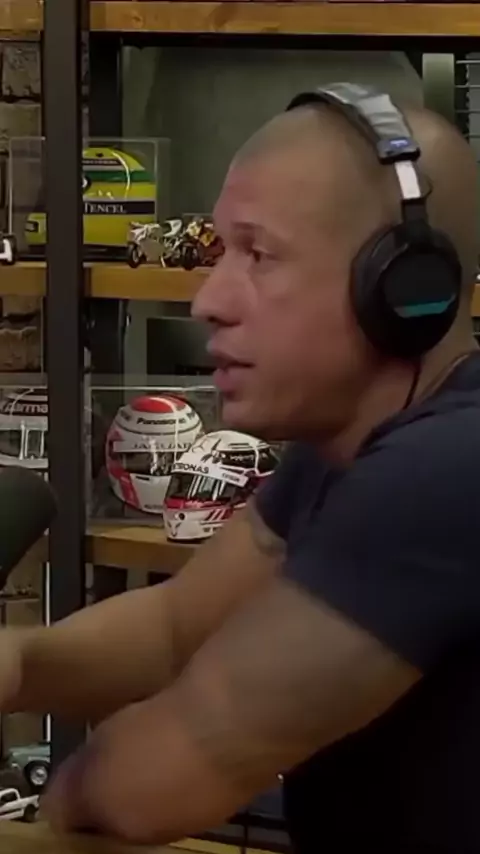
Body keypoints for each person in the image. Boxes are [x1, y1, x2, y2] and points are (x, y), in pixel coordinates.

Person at [3, 84, 480, 853]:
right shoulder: (346, 449)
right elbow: (174, 628)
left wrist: (57, 806)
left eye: (259, 255)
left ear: (404, 287)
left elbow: (168, 776)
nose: (209, 302)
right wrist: (20, 661)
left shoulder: (444, 471)